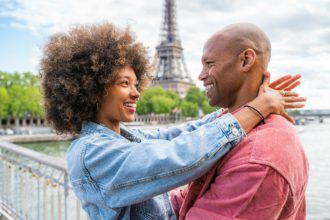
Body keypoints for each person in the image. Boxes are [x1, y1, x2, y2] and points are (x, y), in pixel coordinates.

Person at [40, 23, 305, 220]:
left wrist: (243, 108)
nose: (137, 92)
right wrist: (259, 106)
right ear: (94, 89)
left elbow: (181, 134)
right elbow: (180, 154)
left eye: (136, 83)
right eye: (124, 83)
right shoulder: (91, 153)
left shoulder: (125, 139)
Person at [170, 23, 309, 220]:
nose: (201, 76)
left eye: (210, 64)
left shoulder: (259, 157)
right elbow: (187, 198)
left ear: (246, 60)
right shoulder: (235, 126)